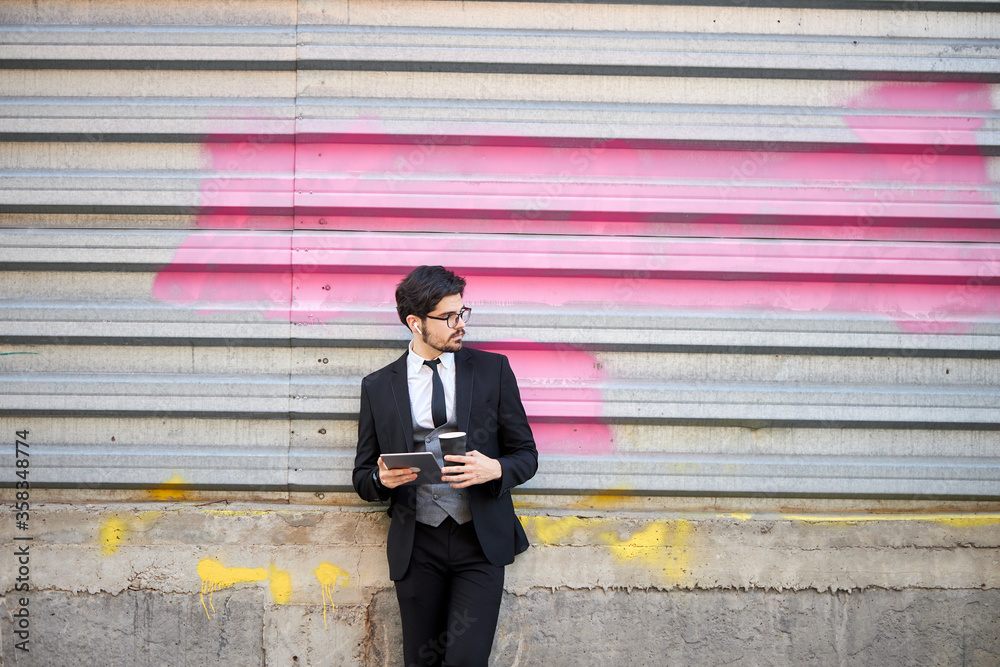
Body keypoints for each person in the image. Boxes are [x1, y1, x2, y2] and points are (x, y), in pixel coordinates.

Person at [353, 265, 538, 667]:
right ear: (415, 323)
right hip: (418, 544)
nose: (461, 325)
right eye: (449, 318)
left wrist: (497, 470)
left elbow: (527, 455)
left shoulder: (493, 371)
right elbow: (362, 477)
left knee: (465, 661)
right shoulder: (378, 386)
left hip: (479, 540)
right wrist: (380, 479)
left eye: (463, 313)